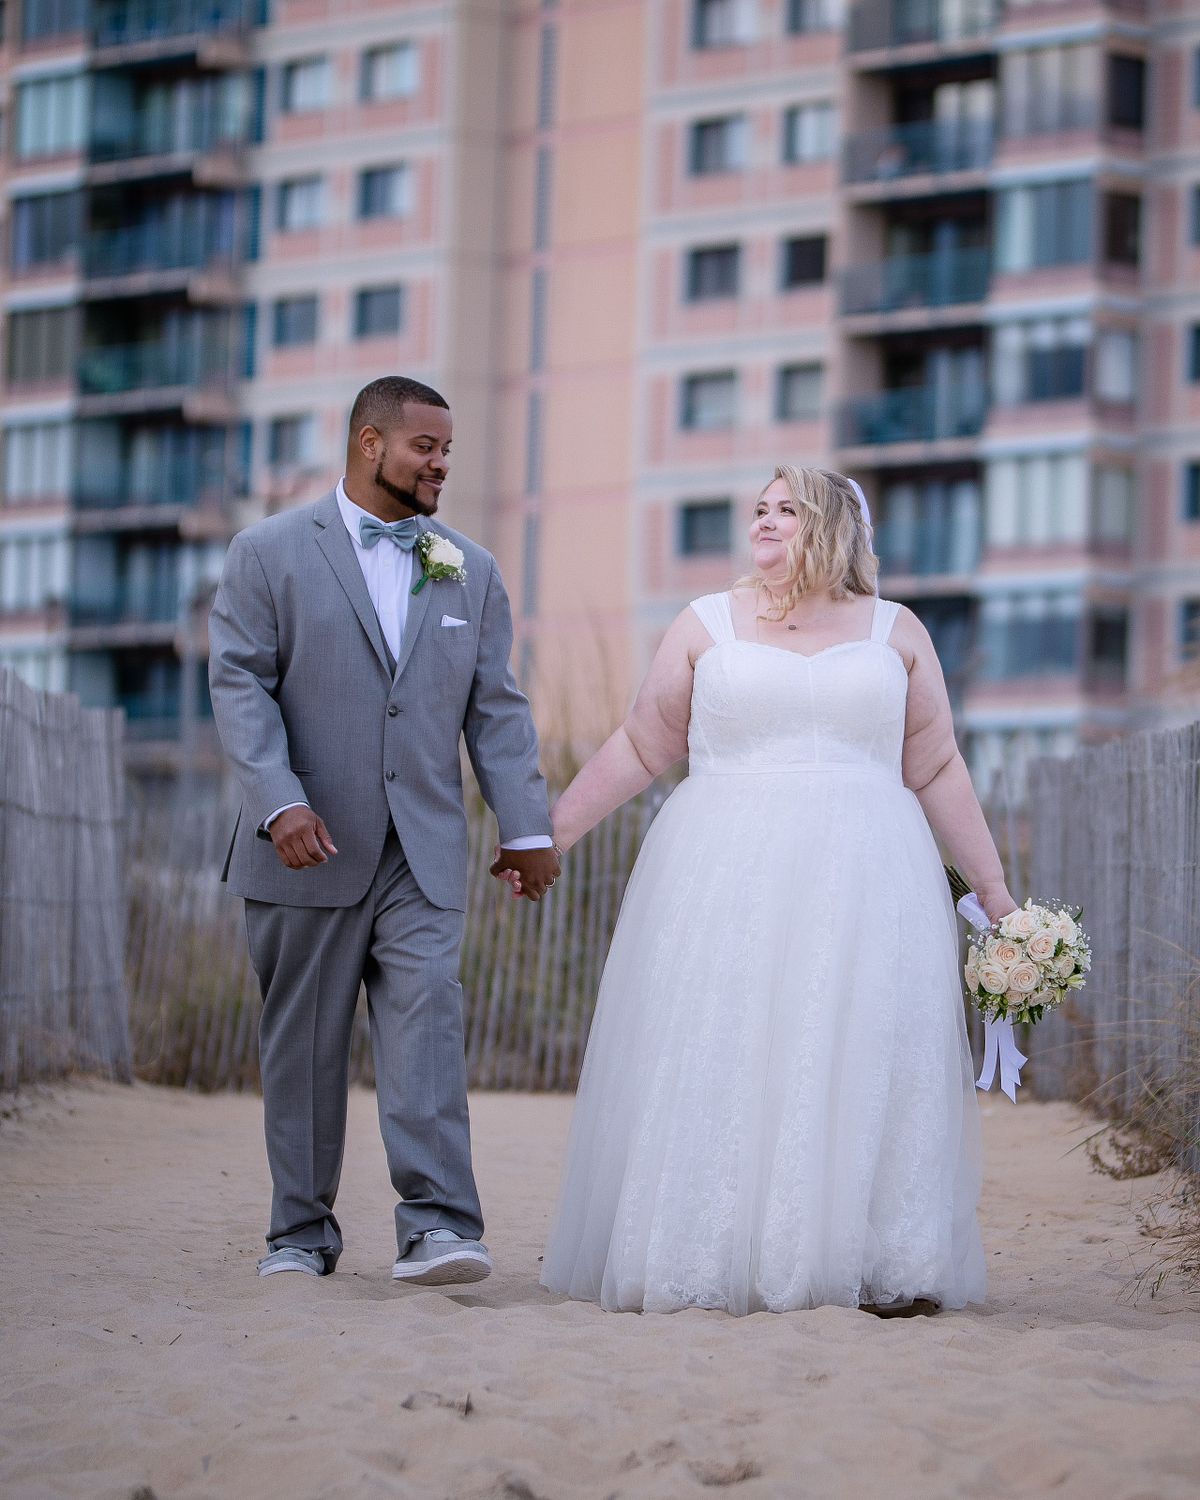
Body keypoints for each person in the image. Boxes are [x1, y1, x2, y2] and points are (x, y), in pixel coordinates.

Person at [534, 465, 1016, 1316]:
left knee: (865, 1050)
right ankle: (707, 1257)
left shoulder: (897, 632)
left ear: (831, 525)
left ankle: (883, 1266)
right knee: (726, 1044)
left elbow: (934, 763)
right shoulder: (703, 624)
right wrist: (552, 833)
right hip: (726, 874)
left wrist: (995, 890)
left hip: (871, 875)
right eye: (759, 509)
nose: (765, 521)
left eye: (787, 510)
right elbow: (645, 745)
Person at [208, 376, 559, 1285]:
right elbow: (239, 685)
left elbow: (498, 711)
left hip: (424, 850)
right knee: (304, 1048)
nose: (443, 463)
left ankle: (440, 1227)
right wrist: (278, 803)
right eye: (425, 448)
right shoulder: (267, 552)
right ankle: (299, 1233)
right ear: (371, 444)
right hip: (306, 842)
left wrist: (525, 826)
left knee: (428, 1027)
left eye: (448, 448)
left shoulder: (469, 569)